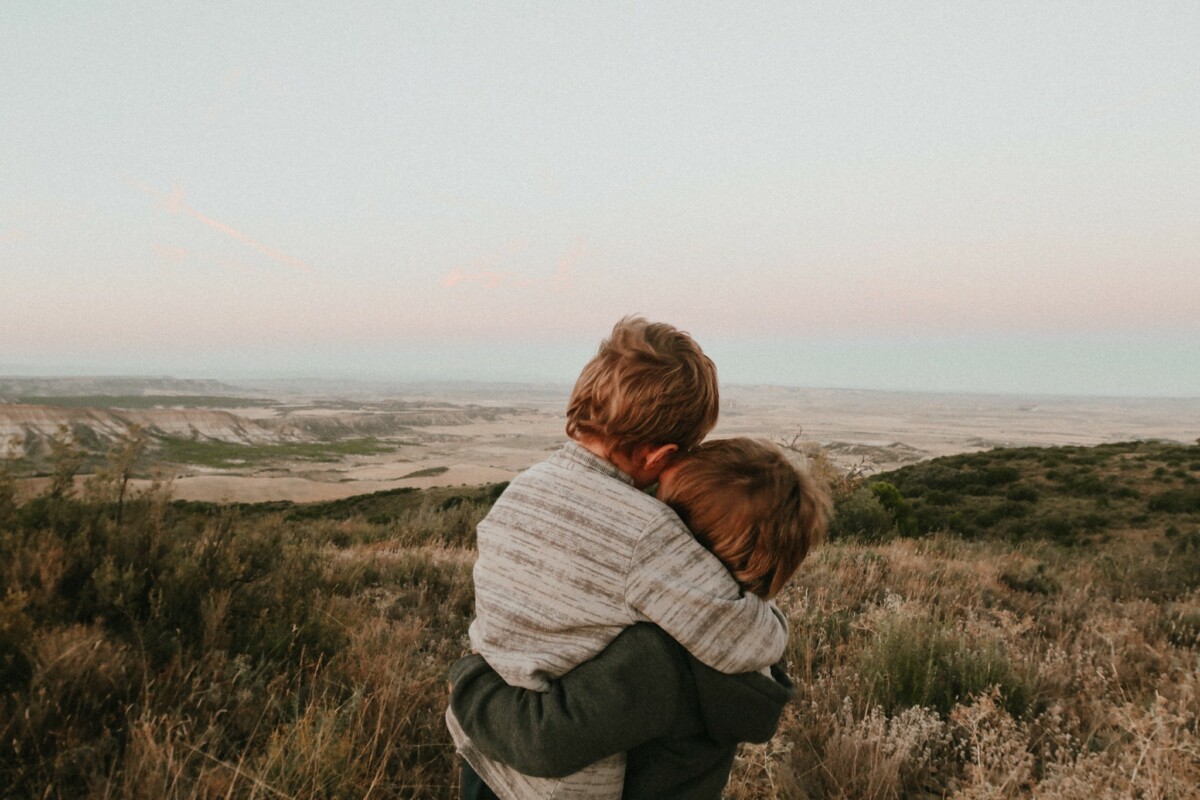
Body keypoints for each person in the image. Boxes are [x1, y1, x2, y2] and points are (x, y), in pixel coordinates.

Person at [445, 318, 791, 799]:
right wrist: (771, 615)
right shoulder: (646, 531)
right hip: (564, 783)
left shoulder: (518, 492)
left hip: (483, 753)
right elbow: (743, 640)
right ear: (659, 455)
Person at [450, 438, 830, 799]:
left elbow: (543, 742)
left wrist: (470, 677)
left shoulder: (657, 659)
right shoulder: (743, 637)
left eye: (659, 510)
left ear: (681, 547)